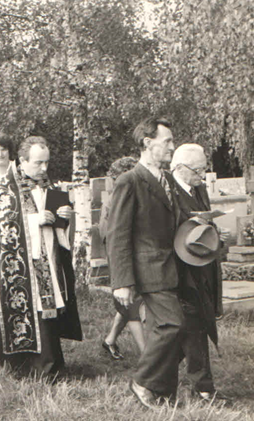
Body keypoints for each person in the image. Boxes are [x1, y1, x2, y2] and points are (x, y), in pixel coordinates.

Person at [0, 136, 83, 379]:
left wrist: (63, 217)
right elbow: (3, 228)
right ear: (22, 161)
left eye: (47, 163)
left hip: (47, 257)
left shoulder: (47, 184)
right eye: (38, 163)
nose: (44, 168)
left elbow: (55, 220)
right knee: (27, 308)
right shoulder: (6, 188)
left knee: (48, 308)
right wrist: (35, 221)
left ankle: (50, 364)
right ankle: (26, 365)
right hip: (21, 263)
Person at [106, 116, 182, 408]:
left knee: (169, 327)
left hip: (171, 267)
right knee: (172, 325)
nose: (172, 147)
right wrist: (122, 281)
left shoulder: (167, 179)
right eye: (167, 141)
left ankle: (163, 391)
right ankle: (143, 381)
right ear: (148, 143)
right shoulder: (130, 181)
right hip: (147, 269)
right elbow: (117, 234)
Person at [170, 143, 230, 402]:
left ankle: (154, 374)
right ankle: (203, 387)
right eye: (197, 171)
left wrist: (215, 234)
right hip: (179, 269)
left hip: (202, 265)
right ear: (180, 168)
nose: (202, 176)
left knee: (196, 324)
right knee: (192, 325)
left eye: (204, 169)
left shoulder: (199, 189)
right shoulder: (168, 191)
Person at [98, 157, 146, 360]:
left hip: (135, 254)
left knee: (128, 302)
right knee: (131, 304)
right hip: (122, 256)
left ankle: (110, 340)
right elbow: (110, 234)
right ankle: (147, 356)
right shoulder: (115, 200)